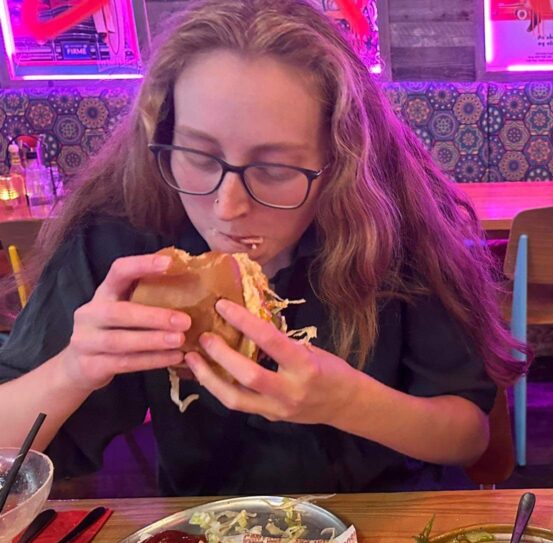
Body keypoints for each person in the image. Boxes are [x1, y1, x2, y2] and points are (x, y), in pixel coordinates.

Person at [0, 0, 523, 495]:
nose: (227, 208)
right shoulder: (124, 237)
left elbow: (469, 437)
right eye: (199, 157)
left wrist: (348, 402)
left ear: (338, 165)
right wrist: (70, 371)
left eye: (274, 170)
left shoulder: (392, 232)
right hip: (206, 531)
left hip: (383, 518)